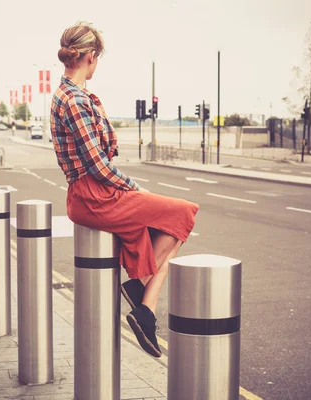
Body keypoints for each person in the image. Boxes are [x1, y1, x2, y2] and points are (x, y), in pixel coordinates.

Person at [50, 23, 199, 358]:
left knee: (172, 222)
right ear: (90, 56)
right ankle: (144, 304)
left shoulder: (76, 95)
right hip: (94, 195)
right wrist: (135, 188)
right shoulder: (74, 100)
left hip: (92, 193)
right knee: (183, 211)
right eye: (97, 57)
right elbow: (98, 166)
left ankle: (143, 301)